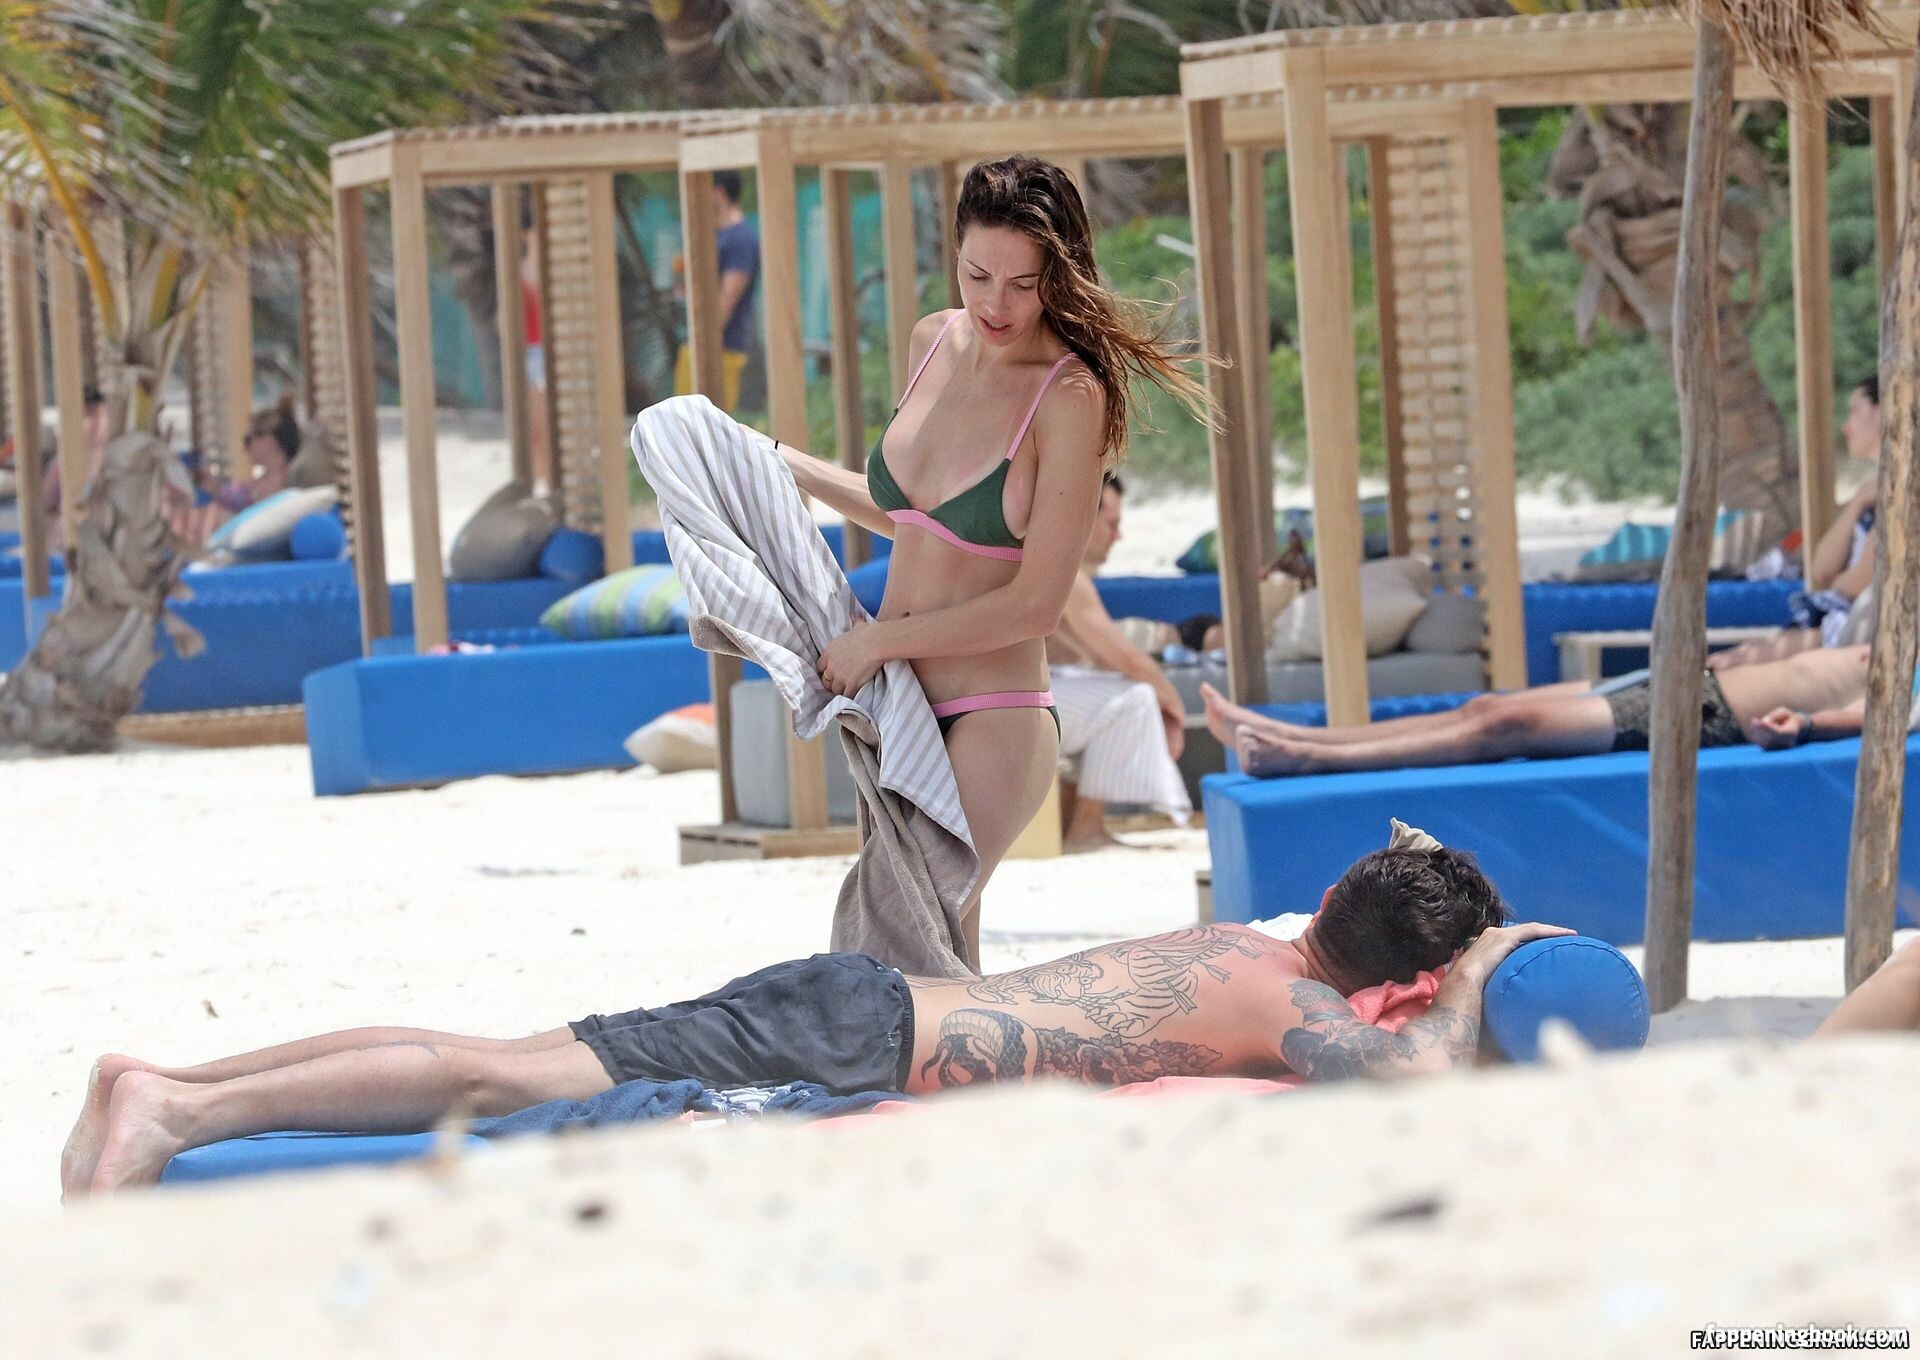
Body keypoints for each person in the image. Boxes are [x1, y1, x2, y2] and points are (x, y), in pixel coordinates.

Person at [64, 841, 1569, 1195]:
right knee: (494, 1075)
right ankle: (183, 1109)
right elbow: (1416, 1081)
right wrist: (1487, 971)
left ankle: (166, 1079)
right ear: (1400, 976)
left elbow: (1378, 904)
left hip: (858, 1005)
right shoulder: (1292, 1008)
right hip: (846, 1041)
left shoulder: (1250, 937)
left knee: (499, 1055)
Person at [771, 156, 1213, 965]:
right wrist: (785, 465)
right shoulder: (931, 342)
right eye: (978, 275)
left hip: (993, 716)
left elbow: (1036, 605)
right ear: (955, 254)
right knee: (939, 967)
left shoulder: (1069, 396)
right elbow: (915, 521)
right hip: (895, 706)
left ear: (1058, 278)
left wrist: (879, 642)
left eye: (1023, 283)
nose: (995, 304)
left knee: (891, 938)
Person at [1201, 643, 1878, 777]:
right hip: (1695, 681)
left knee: (1504, 727)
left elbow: (1894, 716)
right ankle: (1293, 733)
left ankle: (1305, 759)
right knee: (1488, 706)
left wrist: (1807, 726)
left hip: (1712, 715)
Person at [1046, 473, 1192, 850]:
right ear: (1083, 515)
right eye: (1112, 524)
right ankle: (1086, 829)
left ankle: (1072, 825)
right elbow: (1127, 659)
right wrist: (1174, 706)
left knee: (1106, 694)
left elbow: (1105, 658)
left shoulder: (1043, 560)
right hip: (1011, 700)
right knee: (1132, 700)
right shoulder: (1061, 570)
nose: (1118, 536)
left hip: (1003, 693)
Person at [1711, 375, 1884, 670]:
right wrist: (1857, 502)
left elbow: (1854, 583)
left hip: (1860, 629)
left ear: (1882, 412)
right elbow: (1822, 568)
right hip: (1846, 623)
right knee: (1733, 659)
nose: (1845, 426)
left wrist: (1837, 584)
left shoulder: (1899, 494)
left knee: (1729, 664)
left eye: (1854, 411)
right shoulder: (1871, 492)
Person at [673, 169, 760, 412]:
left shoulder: (740, 239)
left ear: (719, 193)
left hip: (721, 350)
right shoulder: (716, 235)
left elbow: (728, 297)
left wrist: (706, 344)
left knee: (709, 425)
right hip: (696, 345)